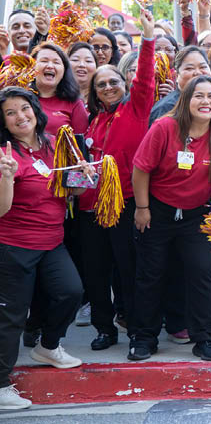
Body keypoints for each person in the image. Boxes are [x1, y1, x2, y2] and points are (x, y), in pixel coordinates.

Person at [129, 76, 211, 362]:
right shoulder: (165, 127)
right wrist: (142, 208)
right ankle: (143, 337)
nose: (206, 102)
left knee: (201, 273)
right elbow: (141, 170)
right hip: (158, 210)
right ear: (186, 100)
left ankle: (204, 338)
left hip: (197, 214)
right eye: (199, 96)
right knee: (150, 274)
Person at [0, 88, 89, 410]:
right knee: (11, 316)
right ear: (4, 122)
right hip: (13, 245)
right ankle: (0, 384)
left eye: (24, 108)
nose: (20, 116)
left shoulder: (52, 144)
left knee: (71, 292)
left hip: (52, 241)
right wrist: (7, 176)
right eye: (11, 113)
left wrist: (84, 177)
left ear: (35, 111)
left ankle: (48, 346)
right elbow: (1, 209)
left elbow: (71, 190)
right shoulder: (4, 153)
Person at [78, 10, 156, 351]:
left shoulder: (136, 109)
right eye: (101, 84)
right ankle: (104, 329)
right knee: (96, 272)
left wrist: (148, 38)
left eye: (113, 82)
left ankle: (138, 332)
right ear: (95, 92)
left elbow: (146, 79)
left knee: (129, 270)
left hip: (127, 204)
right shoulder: (93, 121)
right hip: (92, 207)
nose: (108, 86)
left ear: (124, 86)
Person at [31, 44, 88, 135]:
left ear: (64, 70)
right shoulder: (21, 98)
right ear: (31, 67)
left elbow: (80, 143)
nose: (50, 66)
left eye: (56, 62)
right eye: (44, 61)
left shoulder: (74, 103)